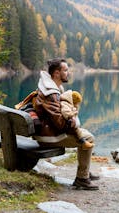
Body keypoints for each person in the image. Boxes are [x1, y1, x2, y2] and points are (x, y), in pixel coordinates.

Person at [32, 58, 99, 190]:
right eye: (66, 70)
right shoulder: (51, 94)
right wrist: (73, 120)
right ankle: (82, 178)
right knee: (89, 137)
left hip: (47, 130)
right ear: (57, 73)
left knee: (84, 134)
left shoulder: (50, 87)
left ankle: (84, 170)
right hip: (49, 136)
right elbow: (60, 124)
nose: (68, 73)